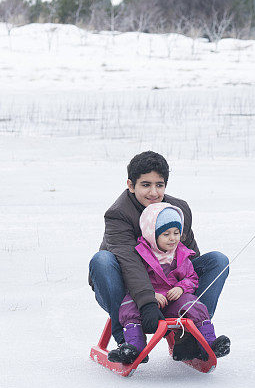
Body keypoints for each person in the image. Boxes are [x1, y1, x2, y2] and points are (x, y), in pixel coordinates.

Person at [89, 151, 230, 363]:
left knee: (217, 261)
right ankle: (127, 343)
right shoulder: (119, 214)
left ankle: (194, 335)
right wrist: (147, 303)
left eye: (159, 185)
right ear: (130, 185)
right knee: (102, 260)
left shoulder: (177, 209)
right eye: (145, 185)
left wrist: (184, 288)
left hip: (170, 288)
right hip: (125, 290)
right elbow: (129, 263)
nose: (153, 192)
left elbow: (189, 256)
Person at [114, 203, 230, 364]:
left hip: (173, 299)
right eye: (166, 234)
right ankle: (134, 348)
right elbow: (134, 278)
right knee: (129, 306)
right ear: (152, 234)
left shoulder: (181, 254)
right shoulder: (140, 254)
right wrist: (150, 295)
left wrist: (181, 287)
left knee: (194, 305)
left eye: (176, 233)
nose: (172, 238)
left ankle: (208, 344)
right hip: (148, 301)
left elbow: (192, 277)